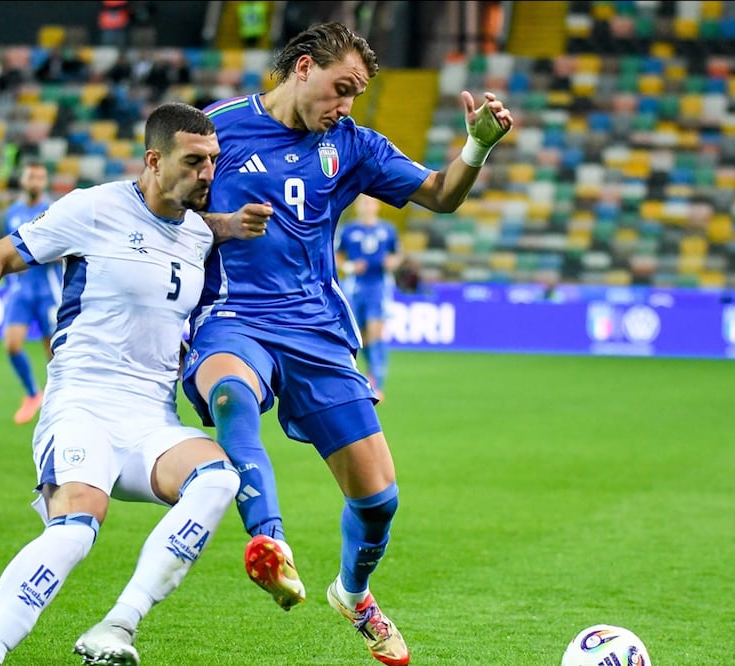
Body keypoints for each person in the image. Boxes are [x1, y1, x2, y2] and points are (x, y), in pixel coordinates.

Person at [182, 22, 513, 666]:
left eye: (357, 94)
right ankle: (268, 543)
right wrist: (219, 227)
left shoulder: (353, 145)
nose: (346, 106)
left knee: (379, 500)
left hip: (316, 329)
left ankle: (354, 594)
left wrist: (476, 148)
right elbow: (159, 206)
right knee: (231, 396)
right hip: (233, 316)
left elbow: (441, 196)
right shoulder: (215, 132)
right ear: (303, 68)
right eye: (341, 89)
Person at [0, 101, 267, 666]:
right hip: (82, 406)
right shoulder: (93, 209)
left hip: (151, 419)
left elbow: (193, 228)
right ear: (153, 160)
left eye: (213, 161)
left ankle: (118, 625)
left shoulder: (197, 232)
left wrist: (231, 224)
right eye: (194, 161)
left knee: (218, 480)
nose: (208, 174)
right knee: (75, 531)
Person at [0, 162, 58, 425]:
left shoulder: (54, 211)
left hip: (48, 289)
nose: (34, 180)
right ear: (23, 180)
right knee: (12, 344)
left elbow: (63, 249)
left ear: (44, 181)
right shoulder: (13, 212)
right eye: (30, 175)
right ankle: (33, 394)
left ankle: (59, 400)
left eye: (39, 176)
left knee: (54, 353)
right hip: (22, 289)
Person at [335, 194, 400, 399]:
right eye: (363, 202)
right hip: (355, 287)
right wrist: (350, 266)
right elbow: (335, 256)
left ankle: (377, 383)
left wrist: (392, 262)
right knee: (359, 336)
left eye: (370, 202)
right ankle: (361, 377)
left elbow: (397, 254)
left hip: (378, 287)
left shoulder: (387, 229)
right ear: (357, 206)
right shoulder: (349, 230)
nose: (367, 206)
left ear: (377, 206)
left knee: (376, 333)